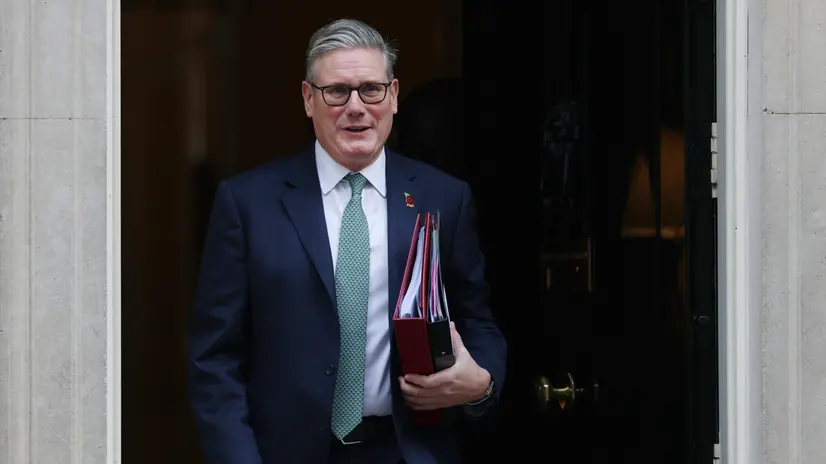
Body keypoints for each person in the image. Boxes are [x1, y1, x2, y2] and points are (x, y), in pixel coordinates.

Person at [187, 18, 507, 464]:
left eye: (371, 89)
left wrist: (482, 383)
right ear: (307, 99)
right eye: (337, 91)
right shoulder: (247, 204)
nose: (355, 106)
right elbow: (214, 361)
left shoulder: (443, 199)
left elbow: (477, 320)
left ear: (393, 96)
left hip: (405, 451)